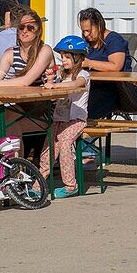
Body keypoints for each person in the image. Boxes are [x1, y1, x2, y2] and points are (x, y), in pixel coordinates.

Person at [0, 7, 54, 162]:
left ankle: (12, 167)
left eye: (30, 28)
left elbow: (26, 82)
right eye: (21, 27)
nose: (25, 31)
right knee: (9, 117)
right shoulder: (11, 52)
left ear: (38, 31)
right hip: (22, 109)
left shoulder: (44, 51)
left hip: (44, 111)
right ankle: (14, 166)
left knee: (9, 120)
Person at [39, 34, 92, 199]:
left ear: (78, 57)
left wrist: (55, 85)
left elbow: (77, 85)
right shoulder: (62, 76)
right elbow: (57, 97)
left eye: (67, 56)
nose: (63, 60)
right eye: (62, 56)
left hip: (76, 119)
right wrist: (50, 82)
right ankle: (37, 183)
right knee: (48, 147)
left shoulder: (83, 74)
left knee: (64, 143)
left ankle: (71, 185)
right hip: (59, 118)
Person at [78, 7, 132, 119]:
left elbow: (116, 66)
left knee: (84, 111)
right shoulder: (87, 43)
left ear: (99, 25)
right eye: (83, 31)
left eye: (89, 30)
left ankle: (86, 135)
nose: (86, 34)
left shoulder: (114, 40)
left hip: (113, 90)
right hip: (90, 86)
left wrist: (89, 63)